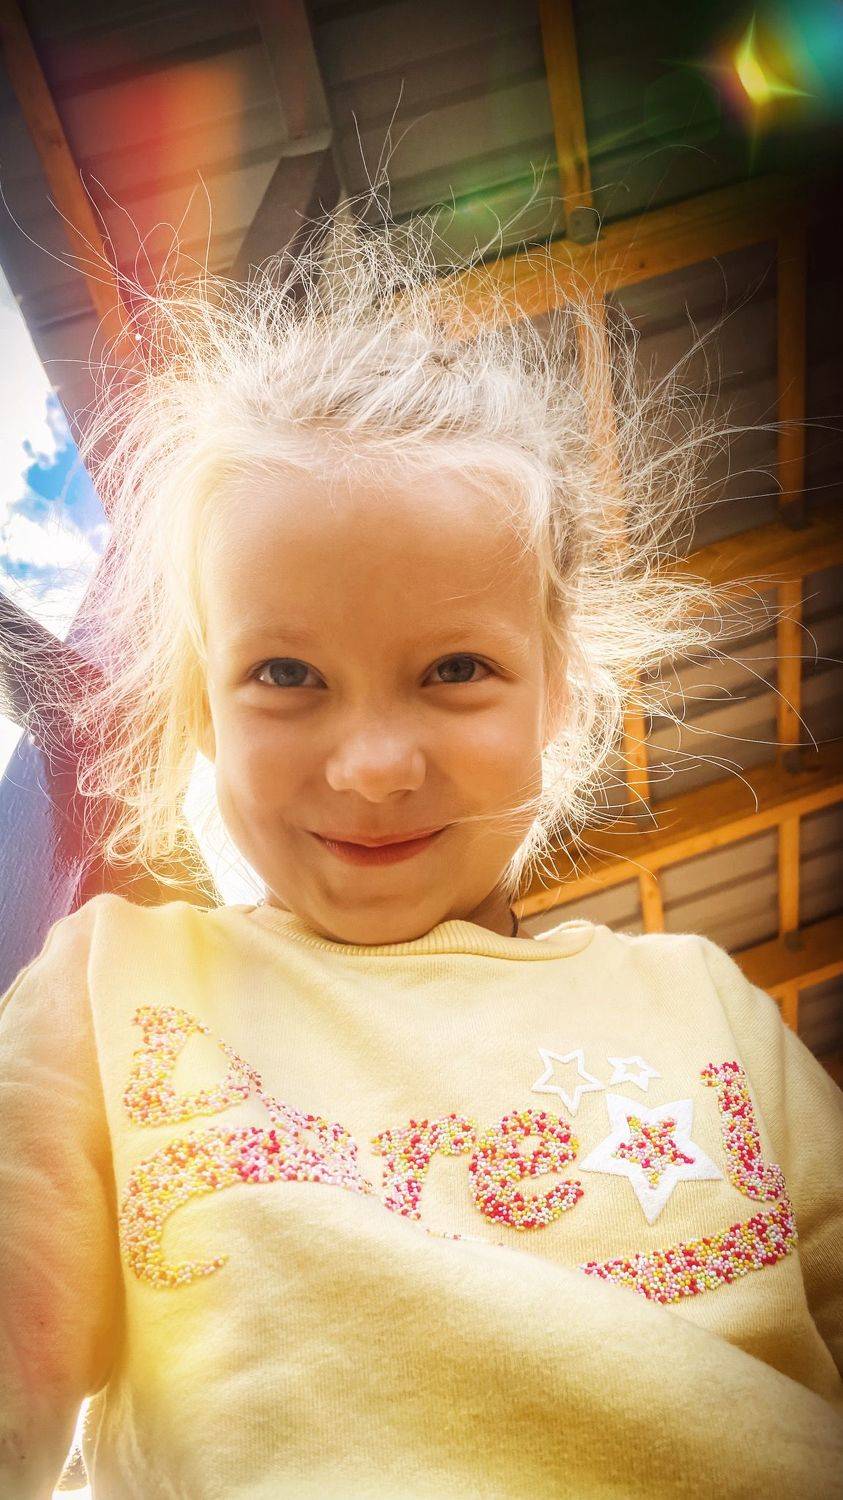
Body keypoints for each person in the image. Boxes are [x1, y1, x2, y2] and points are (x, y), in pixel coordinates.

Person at [1, 189, 841, 1499]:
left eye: (455, 669)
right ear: (202, 709)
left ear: (560, 694)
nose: (375, 765)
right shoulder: (113, 992)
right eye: (286, 674)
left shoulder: (703, 1007)